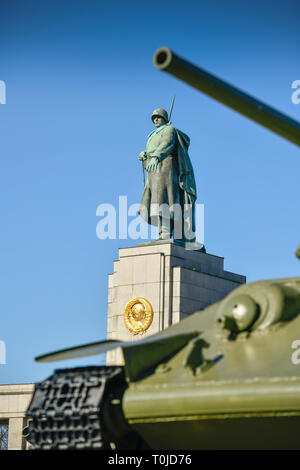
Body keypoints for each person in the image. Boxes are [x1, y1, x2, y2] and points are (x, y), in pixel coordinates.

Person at [139, 108, 197, 242]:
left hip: (165, 167)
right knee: (155, 201)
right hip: (153, 171)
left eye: (158, 117)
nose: (156, 120)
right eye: (154, 118)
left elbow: (167, 144)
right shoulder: (152, 135)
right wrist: (145, 154)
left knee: (164, 199)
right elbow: (152, 149)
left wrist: (156, 156)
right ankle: (162, 232)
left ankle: (166, 232)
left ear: (165, 118)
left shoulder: (169, 130)